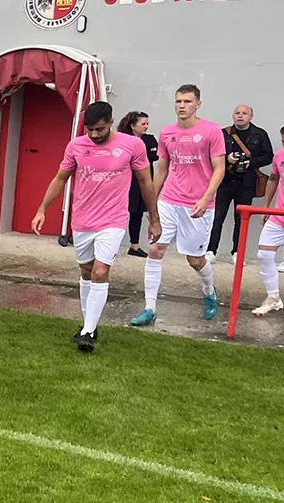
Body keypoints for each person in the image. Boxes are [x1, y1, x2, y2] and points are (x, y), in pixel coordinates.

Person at [30, 102, 160, 352]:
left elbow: (146, 182)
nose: (94, 134)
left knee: (100, 272)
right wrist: (42, 209)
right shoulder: (76, 146)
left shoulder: (132, 145)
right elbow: (60, 178)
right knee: (87, 271)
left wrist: (154, 220)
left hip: (113, 220)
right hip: (82, 220)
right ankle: (89, 323)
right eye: (89, 129)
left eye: (99, 129)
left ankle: (88, 332)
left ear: (111, 122)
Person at [131, 84, 227, 327]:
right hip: (170, 202)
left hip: (198, 206)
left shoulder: (212, 131)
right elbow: (162, 169)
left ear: (198, 104)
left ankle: (209, 291)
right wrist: (152, 204)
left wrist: (206, 198)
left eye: (187, 101)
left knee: (195, 260)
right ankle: (150, 308)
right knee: (155, 250)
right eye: (178, 101)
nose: (182, 106)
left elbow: (220, 169)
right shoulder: (167, 133)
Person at [209, 104, 272, 259]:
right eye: (237, 113)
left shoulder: (259, 134)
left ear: (251, 117)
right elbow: (211, 153)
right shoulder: (223, 133)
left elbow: (268, 156)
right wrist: (227, 158)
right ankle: (210, 250)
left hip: (246, 183)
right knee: (217, 217)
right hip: (224, 181)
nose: (240, 116)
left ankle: (237, 252)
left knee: (241, 219)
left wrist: (251, 162)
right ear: (233, 116)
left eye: (244, 113)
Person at [250, 120, 284, 319]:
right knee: (264, 255)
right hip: (279, 216)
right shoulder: (279, 156)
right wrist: (266, 207)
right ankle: (273, 298)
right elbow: (273, 179)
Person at [118, 111, 159, 255]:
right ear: (133, 126)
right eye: (143, 124)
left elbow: (153, 156)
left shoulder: (150, 139)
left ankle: (134, 246)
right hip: (126, 180)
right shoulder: (123, 139)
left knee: (137, 213)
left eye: (147, 124)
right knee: (120, 211)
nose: (146, 126)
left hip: (142, 181)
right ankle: (111, 242)